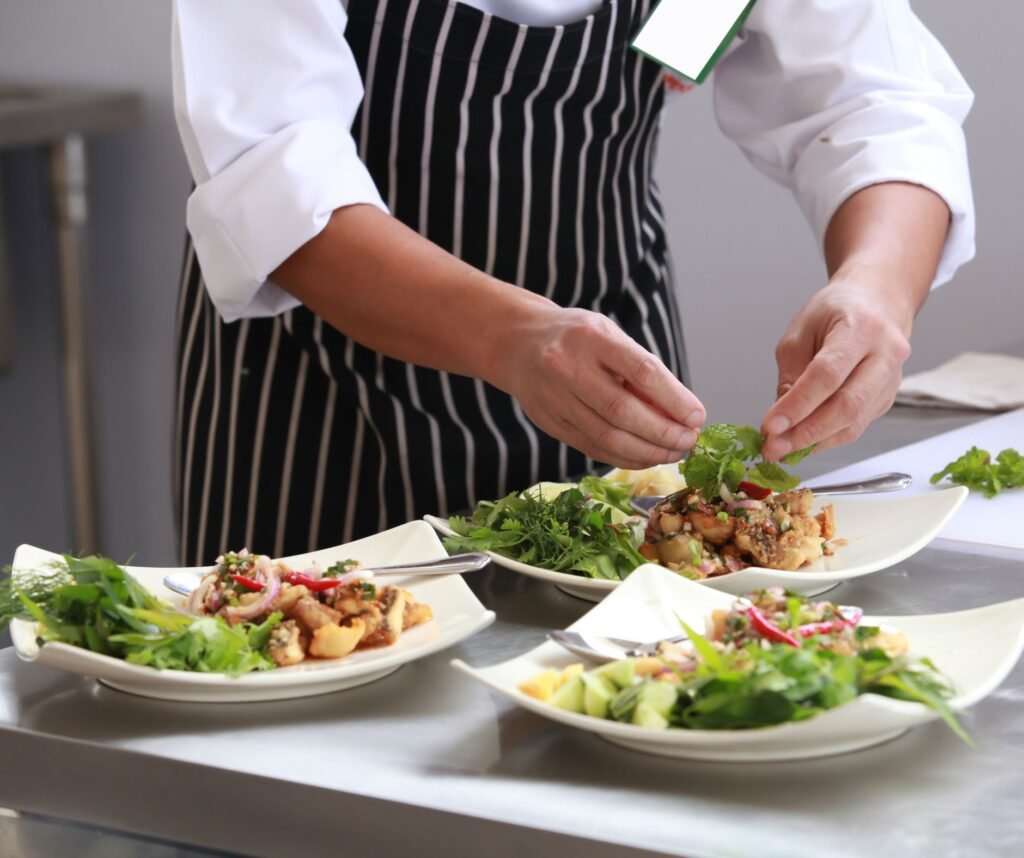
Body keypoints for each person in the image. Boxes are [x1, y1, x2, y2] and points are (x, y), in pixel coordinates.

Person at [171, 0, 974, 565]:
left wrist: (875, 289)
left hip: (618, 345)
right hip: (327, 394)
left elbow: (877, 97)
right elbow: (270, 170)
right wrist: (511, 339)